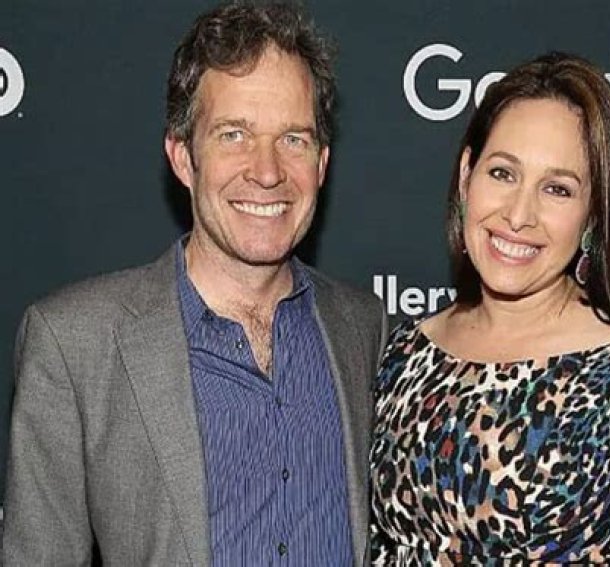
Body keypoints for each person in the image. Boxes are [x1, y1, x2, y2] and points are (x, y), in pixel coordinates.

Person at [4, 2, 387, 565]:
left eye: (293, 139)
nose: (267, 171)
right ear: (183, 157)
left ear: (322, 163)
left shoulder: (364, 327)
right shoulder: (75, 343)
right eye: (234, 135)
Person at [370, 52, 610, 565]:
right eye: (502, 173)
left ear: (594, 215)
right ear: (467, 176)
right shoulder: (406, 353)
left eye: (557, 189)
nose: (519, 214)